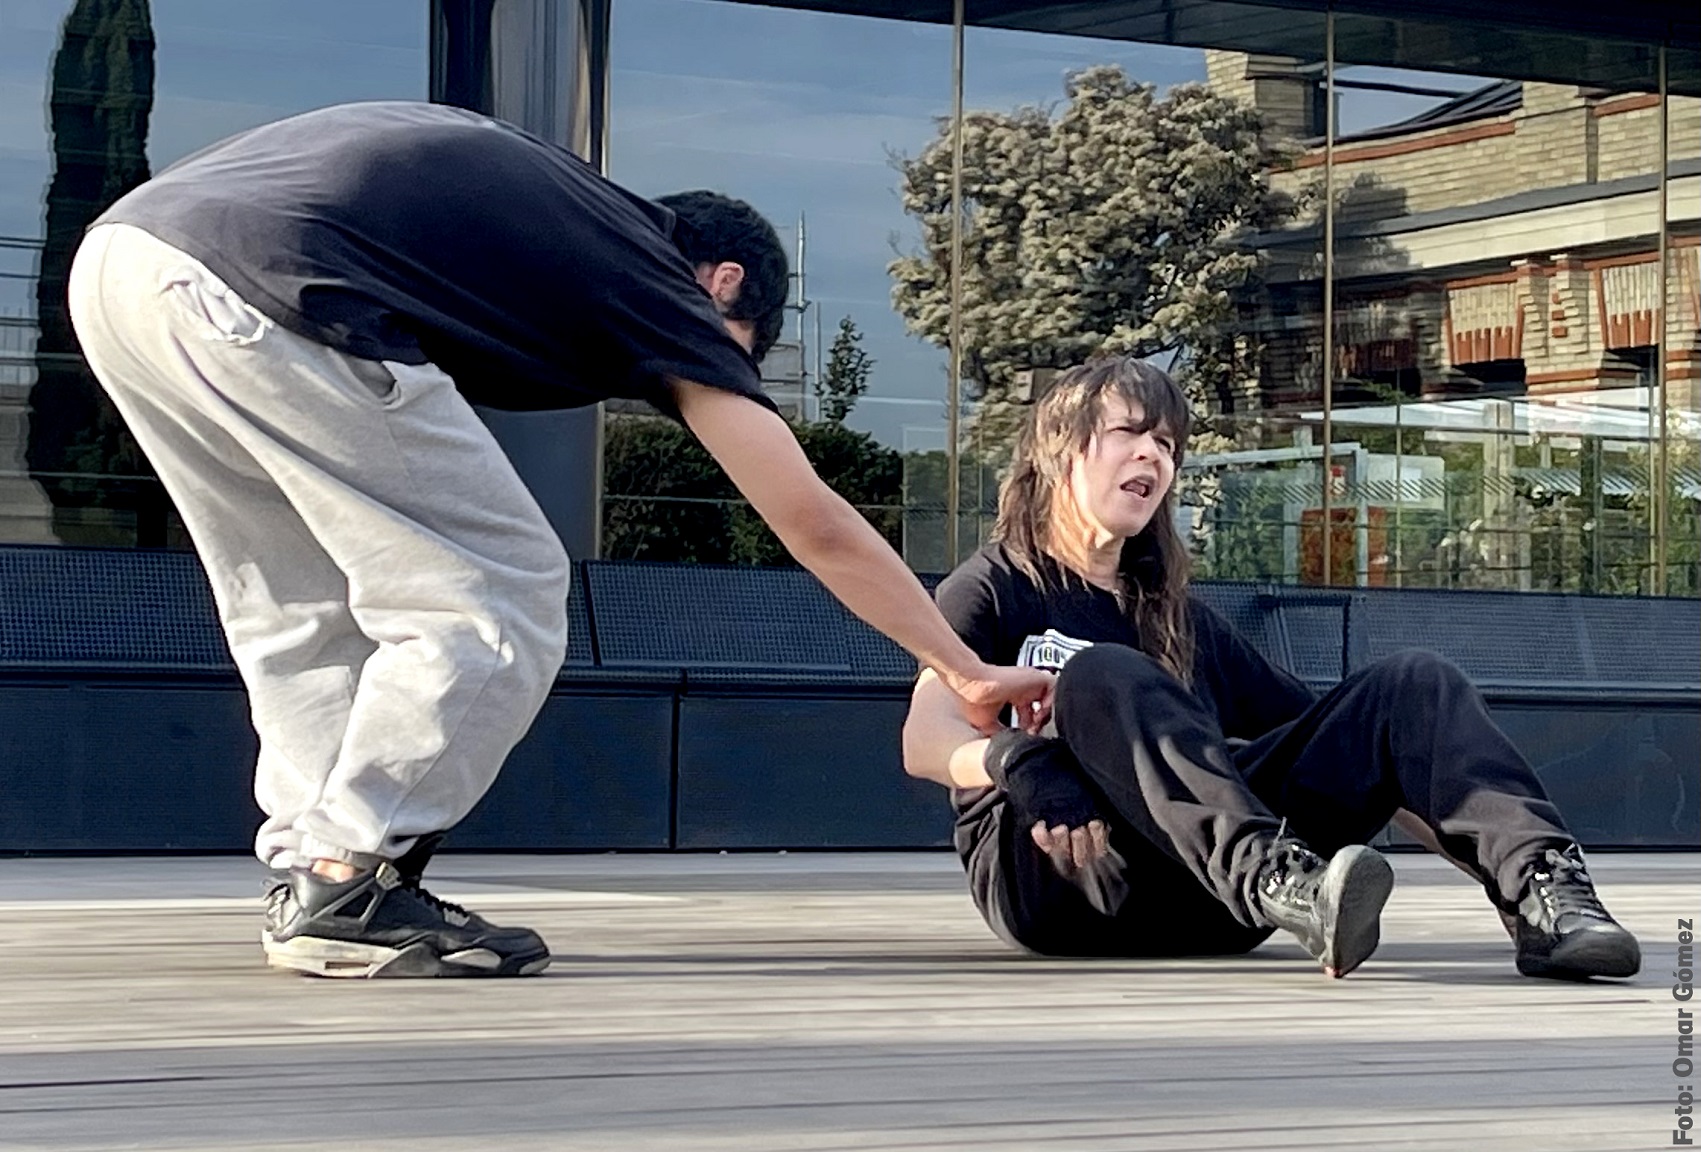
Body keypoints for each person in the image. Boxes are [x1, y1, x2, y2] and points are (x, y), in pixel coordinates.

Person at [67, 100, 1053, 979]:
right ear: (724, 283)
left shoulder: (563, 216)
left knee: (303, 598)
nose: (705, 393)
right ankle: (352, 870)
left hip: (128, 261)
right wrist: (959, 666)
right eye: (736, 356)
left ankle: (314, 871)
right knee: (501, 586)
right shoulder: (653, 277)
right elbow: (813, 521)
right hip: (276, 282)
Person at [901, 355, 1641, 981]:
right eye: (1130, 433)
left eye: (1166, 443)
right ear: (1062, 450)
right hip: (1065, 885)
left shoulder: (1179, 617)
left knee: (1411, 687)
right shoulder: (992, 586)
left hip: (1218, 901)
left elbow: (1376, 761)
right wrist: (1017, 761)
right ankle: (1276, 878)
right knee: (1103, 673)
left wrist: (1478, 843)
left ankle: (1547, 901)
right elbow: (923, 737)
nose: (1153, 456)